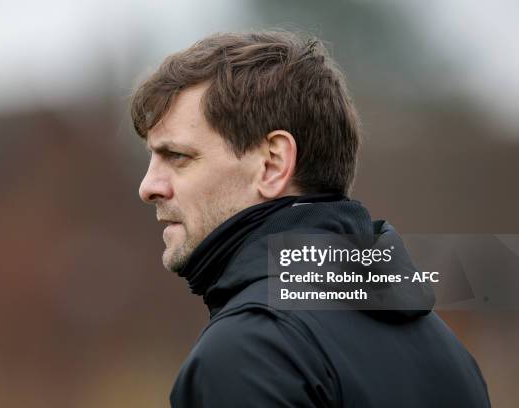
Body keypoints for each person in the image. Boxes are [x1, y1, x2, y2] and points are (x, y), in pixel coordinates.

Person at [131, 30, 490, 407]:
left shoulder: (251, 352)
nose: (148, 186)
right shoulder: (446, 351)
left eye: (177, 157)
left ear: (272, 163)